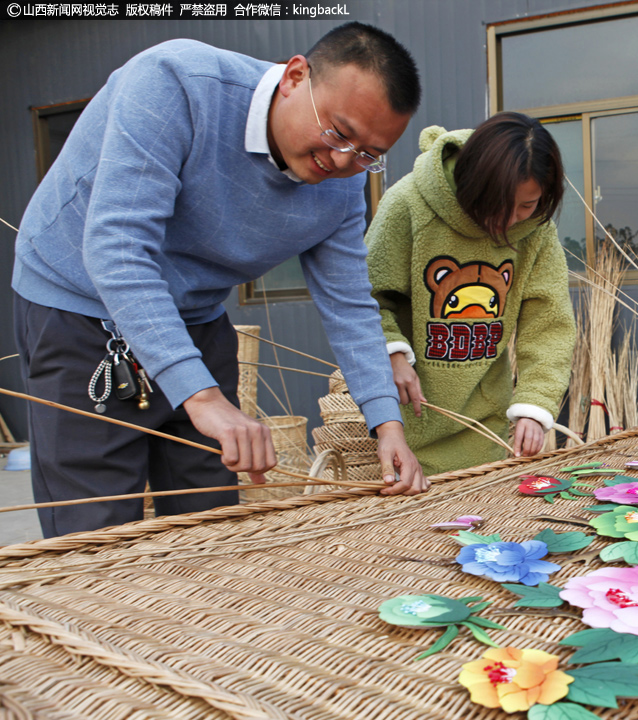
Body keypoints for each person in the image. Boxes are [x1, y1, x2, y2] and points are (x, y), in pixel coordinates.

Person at [13, 23, 430, 538]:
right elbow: (119, 250)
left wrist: (386, 425)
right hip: (80, 309)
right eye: (339, 133)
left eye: (369, 153)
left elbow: (349, 303)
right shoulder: (177, 83)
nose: (343, 160)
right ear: (295, 77)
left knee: (208, 520)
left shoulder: (340, 189)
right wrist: (204, 398)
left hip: (197, 317)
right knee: (94, 531)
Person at [365, 112, 574, 475]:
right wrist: (392, 353)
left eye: (527, 205)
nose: (512, 220)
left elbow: (549, 325)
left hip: (485, 432)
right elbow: (365, 296)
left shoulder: (536, 231)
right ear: (475, 183)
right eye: (500, 204)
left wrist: (534, 405)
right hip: (402, 425)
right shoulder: (408, 205)